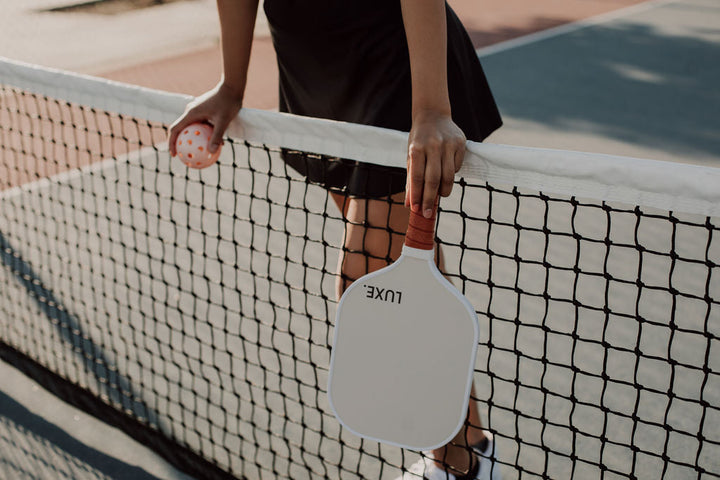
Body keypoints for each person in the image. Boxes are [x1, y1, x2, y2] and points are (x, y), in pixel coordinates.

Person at [168, 1, 502, 478]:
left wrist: (430, 109)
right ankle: (467, 451)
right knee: (405, 266)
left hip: (397, 61)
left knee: (373, 277)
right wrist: (231, 85)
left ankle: (459, 463)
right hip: (317, 70)